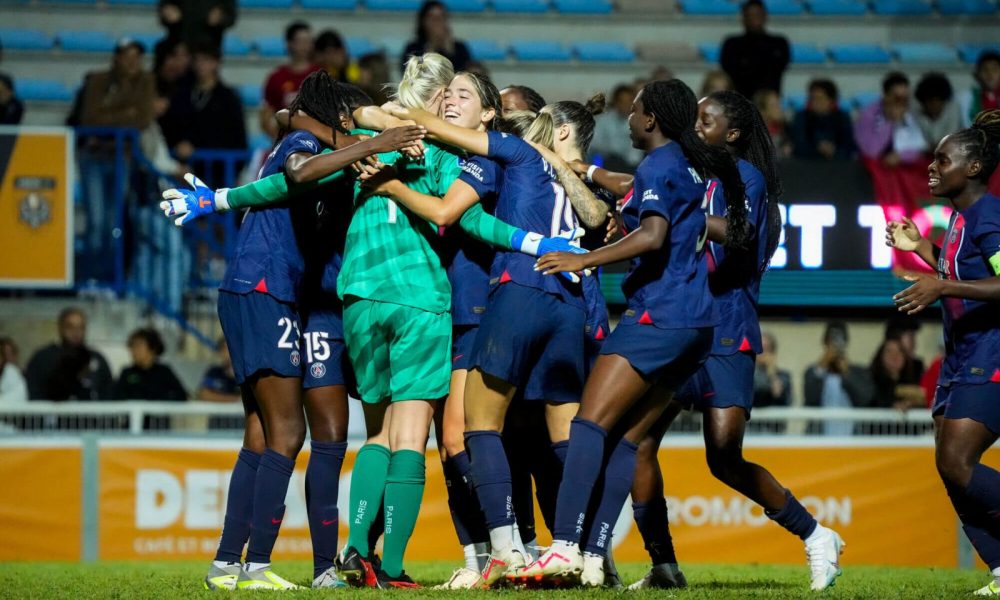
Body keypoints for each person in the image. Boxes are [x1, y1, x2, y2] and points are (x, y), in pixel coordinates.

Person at [166, 54, 580, 588]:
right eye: (447, 95)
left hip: (358, 297)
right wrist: (534, 241)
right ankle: (389, 566)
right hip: (419, 298)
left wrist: (220, 199)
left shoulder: (352, 150)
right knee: (409, 436)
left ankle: (353, 553)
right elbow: (466, 218)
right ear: (437, 103)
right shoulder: (443, 155)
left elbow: (287, 182)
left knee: (374, 434)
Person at [161, 73, 427, 591]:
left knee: (268, 435)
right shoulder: (306, 144)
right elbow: (299, 163)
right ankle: (258, 563)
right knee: (288, 434)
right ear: (340, 118)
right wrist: (372, 142)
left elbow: (290, 133)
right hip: (273, 291)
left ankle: (230, 564)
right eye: (350, 119)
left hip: (283, 292)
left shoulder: (317, 142)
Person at [362, 73, 611, 587]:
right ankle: (577, 551)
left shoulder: (499, 156)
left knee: (472, 433)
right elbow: (597, 215)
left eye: (463, 95)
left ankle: (501, 551)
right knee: (558, 438)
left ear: (495, 117)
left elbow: (452, 209)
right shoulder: (552, 169)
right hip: (560, 299)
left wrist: (377, 136)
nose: (450, 102)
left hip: (501, 299)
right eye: (446, 94)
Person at [512, 78, 747, 587]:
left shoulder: (660, 163)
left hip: (660, 317)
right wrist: (599, 183)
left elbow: (655, 234)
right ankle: (595, 558)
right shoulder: (686, 163)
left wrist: (585, 257)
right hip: (699, 326)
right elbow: (660, 219)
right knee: (627, 439)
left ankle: (565, 548)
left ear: (652, 119)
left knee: (589, 425)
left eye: (635, 111)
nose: (629, 118)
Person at [627, 90, 842, 592]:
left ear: (734, 133)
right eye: (695, 118)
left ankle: (816, 536)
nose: (697, 127)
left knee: (724, 455)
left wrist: (683, 217)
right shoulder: (688, 173)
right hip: (679, 322)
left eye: (708, 120)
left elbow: (741, 234)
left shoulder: (746, 179)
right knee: (638, 442)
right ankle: (663, 565)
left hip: (724, 325)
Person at [885, 109, 1000, 596]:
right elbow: (966, 269)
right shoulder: (960, 218)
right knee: (949, 466)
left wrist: (941, 284)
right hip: (960, 355)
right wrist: (924, 250)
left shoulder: (990, 213)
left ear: (972, 168)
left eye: (941, 159)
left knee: (957, 462)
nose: (932, 166)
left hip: (990, 353)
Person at [76, 38, 156, 281]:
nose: (133, 62)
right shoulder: (97, 80)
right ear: (117, 58)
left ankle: (109, 279)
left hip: (122, 157)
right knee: (97, 223)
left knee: (114, 223)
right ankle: (91, 278)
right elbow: (89, 118)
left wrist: (110, 114)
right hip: (94, 156)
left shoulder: (145, 81)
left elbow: (142, 119)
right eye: (128, 56)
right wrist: (126, 113)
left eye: (137, 57)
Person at [160, 42, 246, 185]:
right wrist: (178, 146)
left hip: (217, 175)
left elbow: (236, 137)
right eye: (197, 60)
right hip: (182, 173)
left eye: (206, 60)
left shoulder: (228, 99)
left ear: (216, 63)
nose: (201, 65)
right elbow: (169, 127)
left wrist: (196, 147)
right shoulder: (182, 95)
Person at [25, 307, 113, 401]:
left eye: (81, 327)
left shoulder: (97, 359)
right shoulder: (42, 358)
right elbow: (33, 394)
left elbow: (109, 394)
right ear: (60, 328)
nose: (76, 332)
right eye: (70, 327)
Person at [803, 321, 874, 435]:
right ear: (825, 343)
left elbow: (865, 400)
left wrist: (847, 373)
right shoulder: (814, 373)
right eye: (832, 341)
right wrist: (823, 362)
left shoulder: (859, 372)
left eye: (840, 341)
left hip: (851, 442)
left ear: (846, 343)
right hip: (820, 442)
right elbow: (810, 399)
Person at [854, 72, 928, 168]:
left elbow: (923, 148)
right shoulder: (867, 116)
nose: (902, 103)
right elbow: (870, 152)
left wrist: (902, 156)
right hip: (875, 169)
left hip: (908, 167)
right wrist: (890, 121)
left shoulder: (913, 111)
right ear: (886, 96)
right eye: (897, 98)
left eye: (905, 99)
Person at [260, 21, 321, 139]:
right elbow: (265, 117)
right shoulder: (276, 78)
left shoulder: (320, 75)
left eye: (308, 41)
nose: (305, 46)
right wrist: (281, 142)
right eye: (301, 41)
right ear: (290, 43)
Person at [720, 0, 789, 99]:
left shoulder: (779, 44)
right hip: (741, 102)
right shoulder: (731, 45)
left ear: (765, 16)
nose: (753, 18)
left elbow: (776, 70)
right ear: (743, 18)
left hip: (768, 102)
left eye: (757, 14)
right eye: (749, 15)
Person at [112, 328, 187, 401]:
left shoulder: (164, 372)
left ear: (153, 348)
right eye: (132, 346)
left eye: (138, 346)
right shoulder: (127, 373)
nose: (134, 350)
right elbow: (115, 397)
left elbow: (181, 396)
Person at [790, 79, 855, 160]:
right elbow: (798, 145)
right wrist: (817, 149)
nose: (815, 102)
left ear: (831, 100)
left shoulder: (842, 118)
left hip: (838, 166)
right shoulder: (801, 117)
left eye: (819, 98)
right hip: (807, 166)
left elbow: (849, 146)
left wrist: (833, 150)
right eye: (812, 98)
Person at [400, 1, 470, 73]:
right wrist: (430, 50)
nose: (437, 22)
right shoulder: (413, 49)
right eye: (432, 17)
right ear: (423, 21)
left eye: (441, 17)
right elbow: (410, 75)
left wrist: (450, 52)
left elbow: (465, 75)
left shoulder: (459, 48)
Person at [590, 84, 643, 171]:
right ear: (616, 102)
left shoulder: (639, 121)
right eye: (622, 101)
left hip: (632, 166)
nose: (626, 105)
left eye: (629, 101)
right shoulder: (604, 120)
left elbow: (635, 155)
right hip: (608, 161)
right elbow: (594, 143)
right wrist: (612, 149)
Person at [868, 338, 924, 410]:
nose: (894, 356)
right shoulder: (871, 383)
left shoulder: (915, 382)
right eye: (889, 351)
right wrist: (891, 406)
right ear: (880, 356)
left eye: (899, 352)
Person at [158, 0, 235, 52]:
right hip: (179, 44)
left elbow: (230, 16)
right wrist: (167, 12)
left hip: (209, 46)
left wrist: (220, 17)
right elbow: (164, 8)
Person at [915, 72, 964, 151]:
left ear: (944, 101)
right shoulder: (917, 115)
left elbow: (950, 139)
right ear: (923, 102)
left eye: (937, 101)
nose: (934, 106)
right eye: (930, 102)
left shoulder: (953, 110)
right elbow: (918, 144)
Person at [959, 51, 1000, 126]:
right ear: (977, 74)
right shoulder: (966, 98)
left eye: (994, 70)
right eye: (985, 69)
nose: (990, 73)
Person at [753, 331, 791, 408]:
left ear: (773, 352)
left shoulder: (784, 376)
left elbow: (783, 401)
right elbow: (756, 399)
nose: (761, 354)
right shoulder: (746, 377)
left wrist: (772, 373)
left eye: (766, 349)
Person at [196, 338, 239, 403]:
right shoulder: (214, 372)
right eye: (224, 349)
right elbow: (204, 395)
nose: (228, 353)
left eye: (231, 348)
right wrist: (235, 400)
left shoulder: (244, 373)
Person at [754, 89, 790, 158]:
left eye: (779, 103)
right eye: (774, 105)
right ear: (763, 111)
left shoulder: (783, 129)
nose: (779, 108)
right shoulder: (757, 135)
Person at [0, 336, 27, 404]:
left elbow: (17, 398)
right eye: (6, 354)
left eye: (10, 354)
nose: (9, 357)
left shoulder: (11, 371)